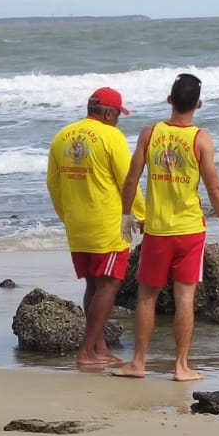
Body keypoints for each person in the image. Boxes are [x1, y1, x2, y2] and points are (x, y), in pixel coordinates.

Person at [112, 72, 219, 382]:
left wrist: (126, 214)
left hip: (157, 230)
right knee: (185, 299)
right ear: (198, 104)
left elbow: (132, 177)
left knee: (147, 297)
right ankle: (181, 367)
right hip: (189, 231)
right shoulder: (201, 139)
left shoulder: (150, 133)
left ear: (170, 100)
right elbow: (214, 187)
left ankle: (139, 362)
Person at [47, 87, 145, 369]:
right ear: (109, 113)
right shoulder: (110, 136)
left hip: (77, 224)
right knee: (110, 284)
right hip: (107, 224)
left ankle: (99, 347)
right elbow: (128, 181)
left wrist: (66, 215)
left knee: (93, 283)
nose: (118, 121)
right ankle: (86, 351)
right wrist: (141, 214)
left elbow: (53, 183)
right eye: (117, 115)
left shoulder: (62, 136)